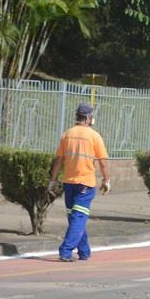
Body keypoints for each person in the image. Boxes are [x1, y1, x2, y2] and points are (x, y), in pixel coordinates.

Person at [49, 102, 110, 262]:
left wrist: (53, 180)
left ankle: (84, 251)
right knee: (78, 217)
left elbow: (59, 160)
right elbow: (103, 162)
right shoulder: (94, 136)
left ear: (77, 117)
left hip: (69, 182)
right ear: (89, 118)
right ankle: (66, 250)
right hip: (86, 183)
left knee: (75, 217)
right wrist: (106, 180)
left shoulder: (67, 134)